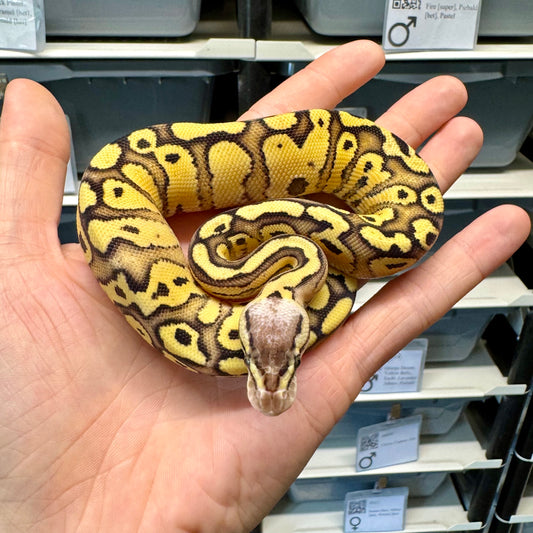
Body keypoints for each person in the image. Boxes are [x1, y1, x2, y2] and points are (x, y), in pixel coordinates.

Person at [0, 40, 529, 532]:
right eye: (263, 361)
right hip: (158, 190)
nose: (268, 389)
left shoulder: (242, 265)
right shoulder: (254, 267)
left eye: (282, 359)